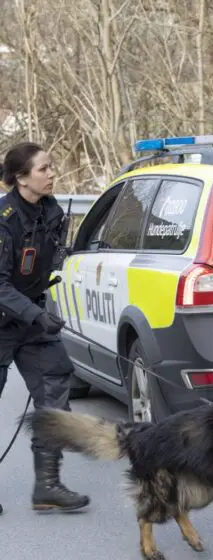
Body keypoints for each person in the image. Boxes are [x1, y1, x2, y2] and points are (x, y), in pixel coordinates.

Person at [0, 142, 90, 514]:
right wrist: (35, 314)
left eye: (53, 167)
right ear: (21, 178)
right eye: (43, 169)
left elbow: (42, 267)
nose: (52, 174)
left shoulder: (52, 212)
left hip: (31, 319)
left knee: (55, 393)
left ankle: (48, 486)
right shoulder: (3, 220)